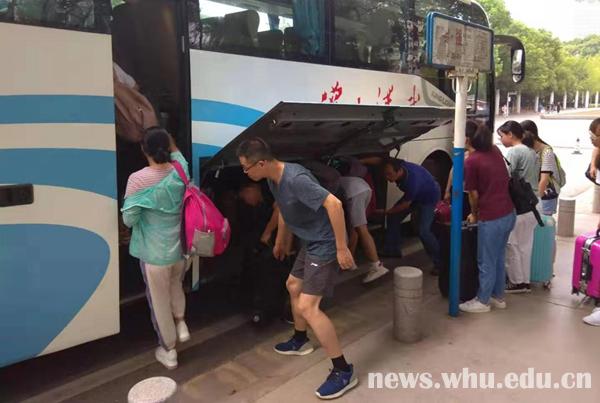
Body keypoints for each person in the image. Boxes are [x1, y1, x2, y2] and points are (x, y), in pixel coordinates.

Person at [236, 138, 358, 400]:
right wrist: (281, 241)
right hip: (310, 241)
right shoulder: (273, 179)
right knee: (293, 285)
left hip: (324, 243)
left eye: (246, 168)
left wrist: (341, 248)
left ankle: (343, 370)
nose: (245, 173)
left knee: (308, 306)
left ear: (261, 163)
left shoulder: (295, 179)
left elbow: (334, 205)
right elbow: (283, 210)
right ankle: (300, 340)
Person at [121, 127, 190, 370]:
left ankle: (169, 350)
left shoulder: (137, 179)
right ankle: (181, 322)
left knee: (159, 302)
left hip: (154, 255)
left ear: (143, 150)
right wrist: (168, 139)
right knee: (175, 286)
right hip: (180, 249)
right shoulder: (180, 169)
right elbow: (177, 153)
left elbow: (129, 219)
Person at [459, 122, 516, 313]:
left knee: (486, 261)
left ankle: (482, 301)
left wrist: (474, 214)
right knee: (498, 257)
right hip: (508, 213)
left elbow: (473, 194)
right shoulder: (494, 150)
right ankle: (498, 297)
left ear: (466, 139)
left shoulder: (471, 161)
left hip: (491, 217)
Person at [377, 158, 441, 274]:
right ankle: (392, 249)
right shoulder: (400, 164)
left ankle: (440, 263)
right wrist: (360, 161)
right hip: (416, 195)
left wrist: (386, 211)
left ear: (399, 171)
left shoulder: (412, 181)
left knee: (424, 231)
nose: (386, 177)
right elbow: (379, 160)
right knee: (393, 217)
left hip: (429, 198)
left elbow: (405, 205)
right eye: (385, 174)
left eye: (389, 174)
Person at [497, 120, 540, 294]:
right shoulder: (531, 151)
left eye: (501, 136)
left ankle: (516, 282)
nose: (500, 140)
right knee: (525, 246)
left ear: (511, 135)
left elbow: (505, 176)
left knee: (512, 244)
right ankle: (525, 281)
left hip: (520, 204)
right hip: (533, 203)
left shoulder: (514, 152)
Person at [339, 175, 390, 283]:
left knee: (361, 229)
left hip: (355, 193)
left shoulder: (324, 183)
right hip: (365, 188)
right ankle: (350, 262)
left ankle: (377, 266)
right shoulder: (336, 177)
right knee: (355, 228)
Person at [521, 120, 562, 216]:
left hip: (545, 197)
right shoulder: (528, 149)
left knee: (544, 223)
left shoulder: (547, 152)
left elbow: (544, 180)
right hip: (534, 196)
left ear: (530, 134)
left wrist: (536, 201)